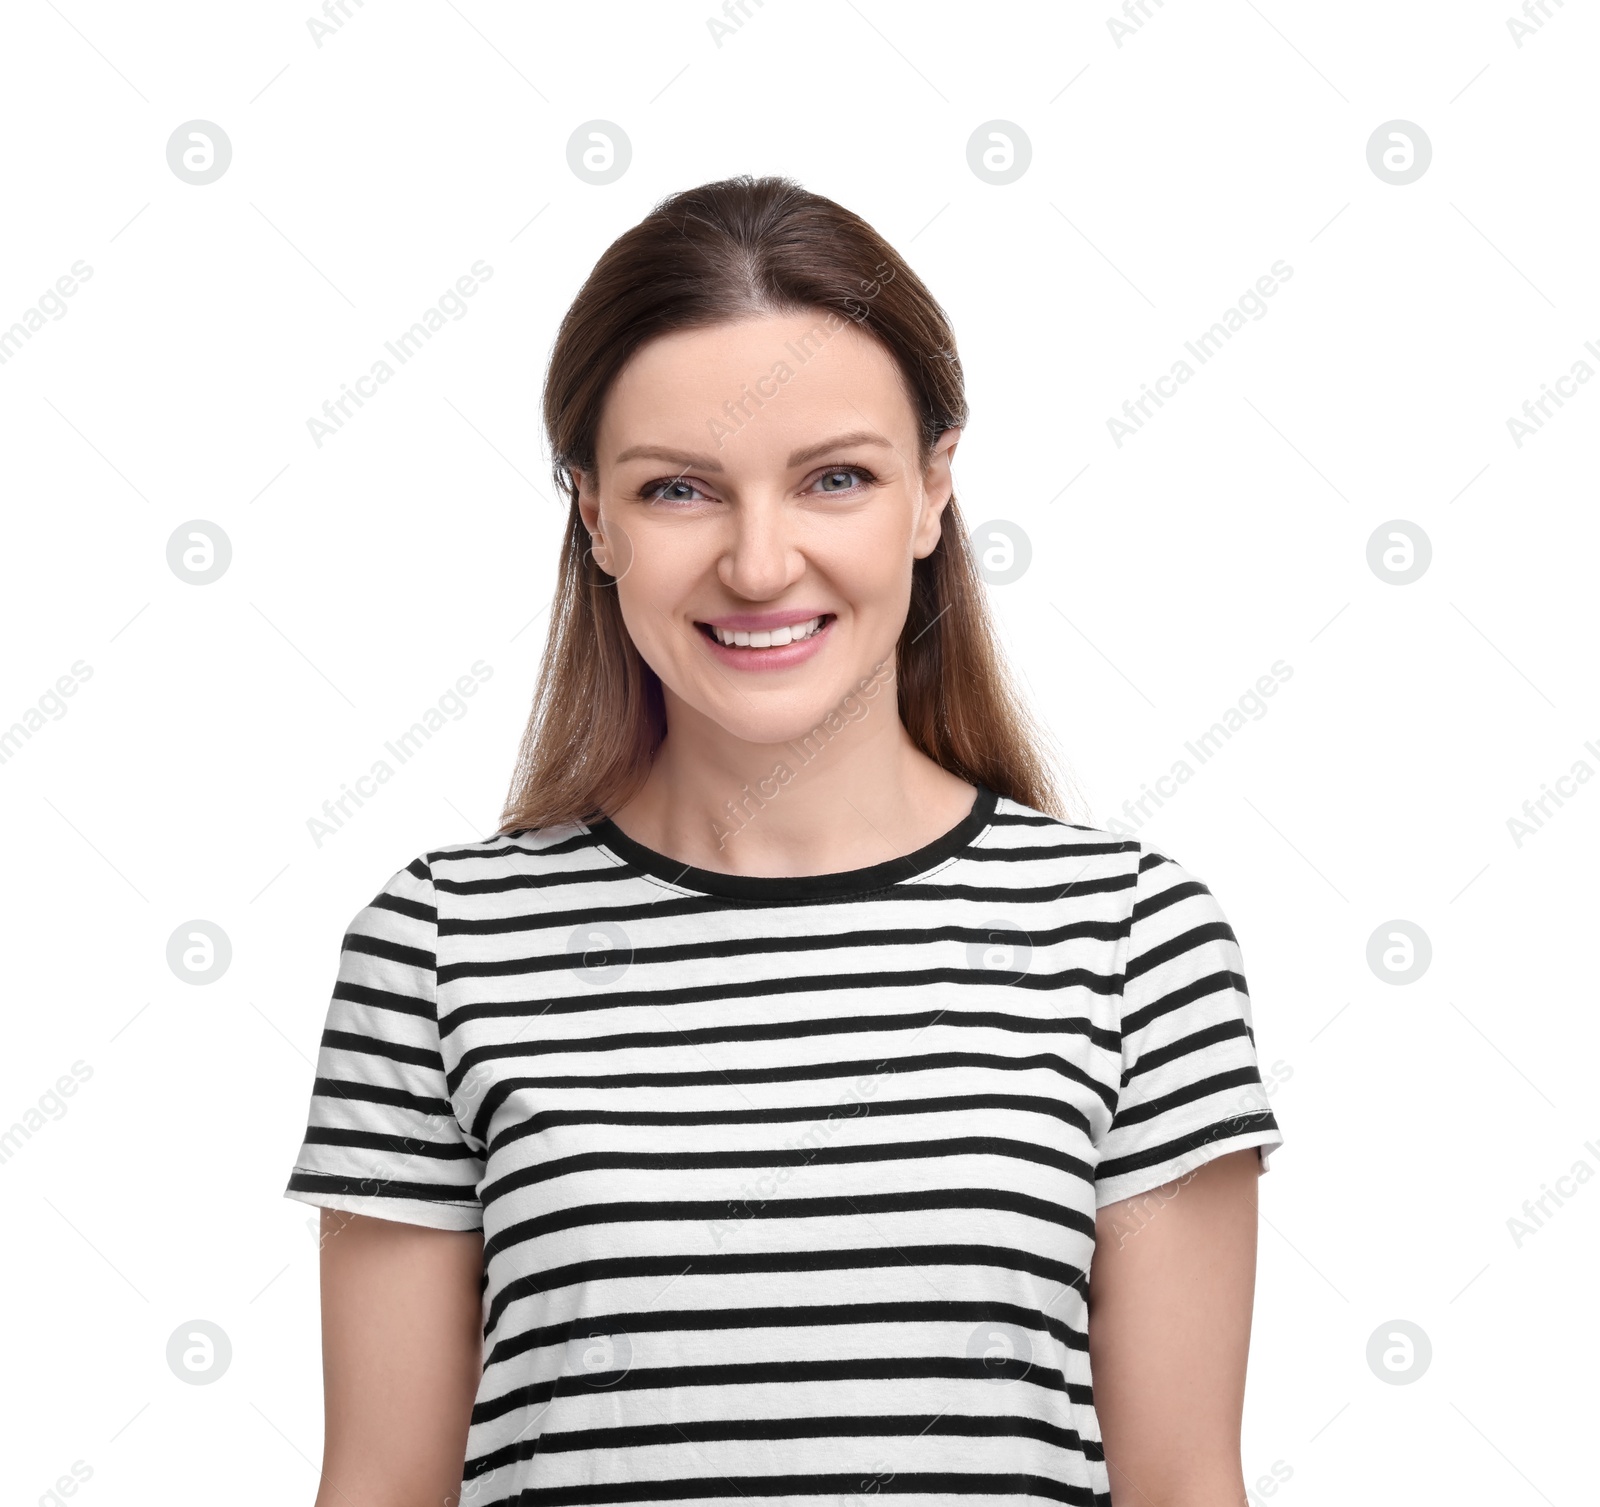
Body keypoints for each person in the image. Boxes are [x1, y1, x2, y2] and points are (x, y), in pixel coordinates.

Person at [284, 174, 1284, 1507]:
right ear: (594, 517)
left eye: (836, 480)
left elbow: (1183, 1488)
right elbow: (380, 1490)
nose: (761, 565)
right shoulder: (439, 949)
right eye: (682, 490)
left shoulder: (1131, 943)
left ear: (931, 494)